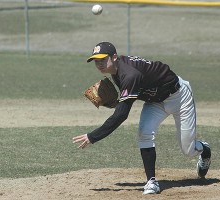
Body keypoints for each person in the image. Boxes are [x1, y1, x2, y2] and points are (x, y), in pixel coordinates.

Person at [73, 42, 211, 194]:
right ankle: (151, 181)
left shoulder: (129, 74)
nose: (99, 64)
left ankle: (204, 149)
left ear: (114, 57)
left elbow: (121, 115)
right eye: (96, 61)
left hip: (179, 98)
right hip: (155, 102)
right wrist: (116, 102)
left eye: (103, 59)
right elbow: (129, 97)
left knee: (188, 151)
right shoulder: (117, 71)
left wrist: (93, 136)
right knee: (144, 133)